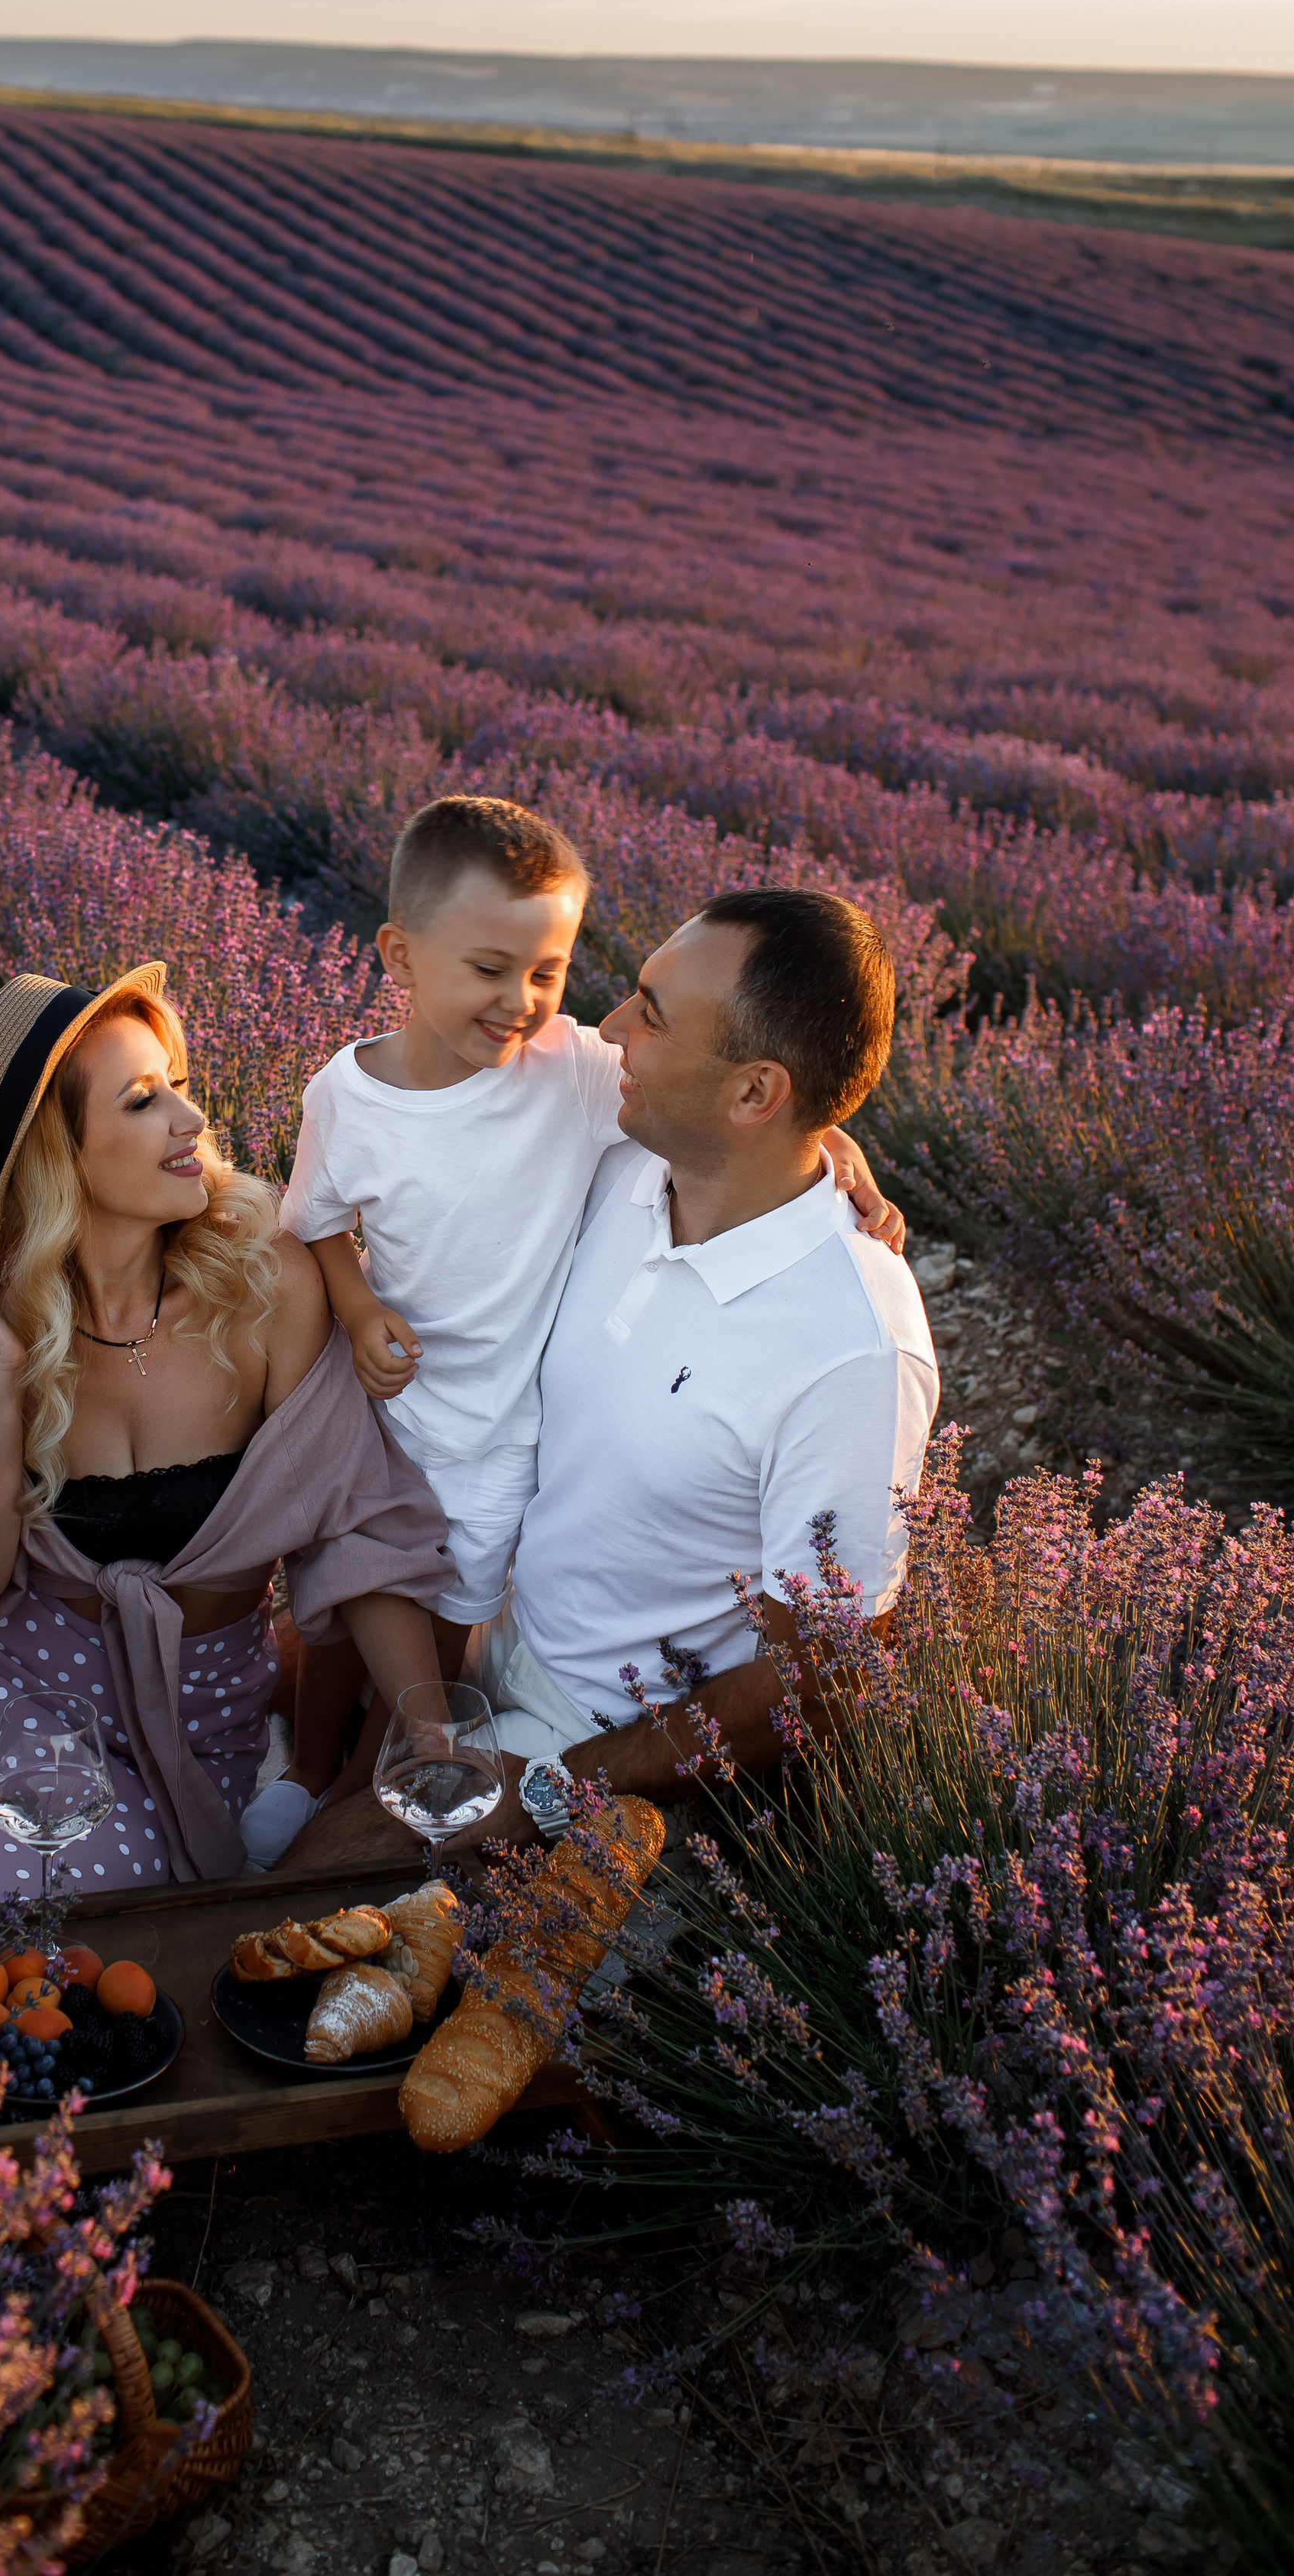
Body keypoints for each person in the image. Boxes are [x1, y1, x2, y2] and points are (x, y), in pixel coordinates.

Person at [251, 798, 905, 1865]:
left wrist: (556, 1788)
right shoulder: (634, 1161)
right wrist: (828, 1133)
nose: (600, 1032)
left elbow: (816, 1685)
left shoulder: (850, 1345)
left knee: (298, 1877)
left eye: (647, 1012)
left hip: (596, 1727)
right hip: (498, 1612)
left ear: (751, 1093)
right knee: (255, 1676)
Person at [0, 961, 455, 1943]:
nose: (193, 1120)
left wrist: (429, 1730)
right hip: (5, 1682)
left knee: (104, 1898)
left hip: (193, 1710)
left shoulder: (264, 1281)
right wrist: (1, 1374)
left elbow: (354, 1521)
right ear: (57, 1153)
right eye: (146, 1100)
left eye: (178, 1083)